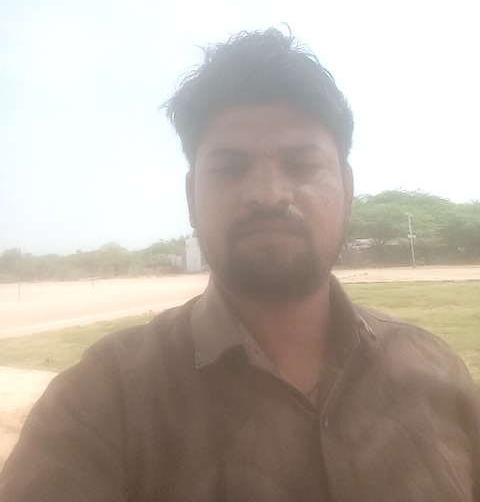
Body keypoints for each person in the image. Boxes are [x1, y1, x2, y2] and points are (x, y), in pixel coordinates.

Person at [1, 28, 479, 501]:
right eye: (231, 168)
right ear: (191, 197)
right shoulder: (100, 401)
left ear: (348, 191)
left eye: (300, 165)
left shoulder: (437, 373)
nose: (269, 193)